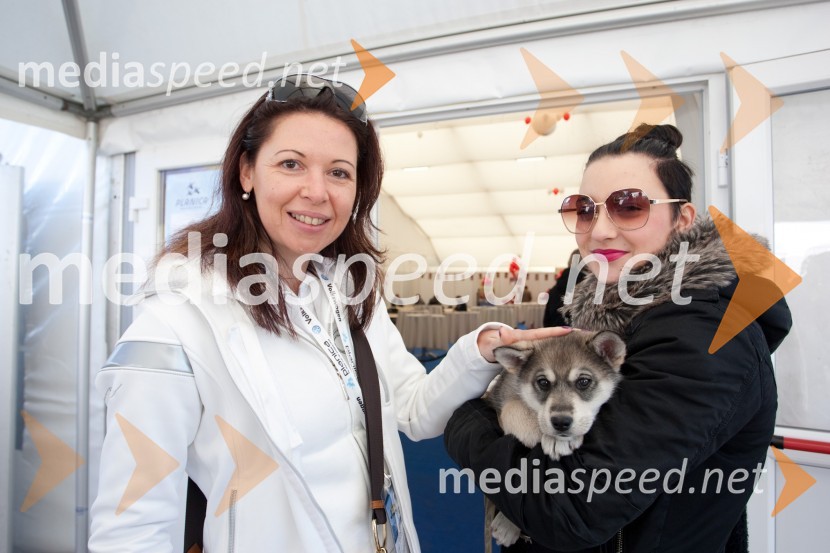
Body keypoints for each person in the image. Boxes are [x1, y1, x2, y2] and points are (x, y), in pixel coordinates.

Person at [88, 74, 569, 553]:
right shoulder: (179, 320)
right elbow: (133, 527)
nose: (317, 192)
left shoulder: (351, 293)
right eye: (291, 164)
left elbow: (413, 410)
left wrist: (477, 352)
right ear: (247, 172)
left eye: (339, 173)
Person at [444, 124, 792, 552]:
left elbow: (569, 509)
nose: (600, 230)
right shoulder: (623, 315)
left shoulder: (704, 337)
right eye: (584, 209)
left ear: (683, 219)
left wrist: (466, 422)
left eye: (629, 206)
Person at [542, 249, 586, 327]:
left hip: (555, 333)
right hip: (582, 334)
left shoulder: (554, 290)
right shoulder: (591, 287)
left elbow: (547, 321)